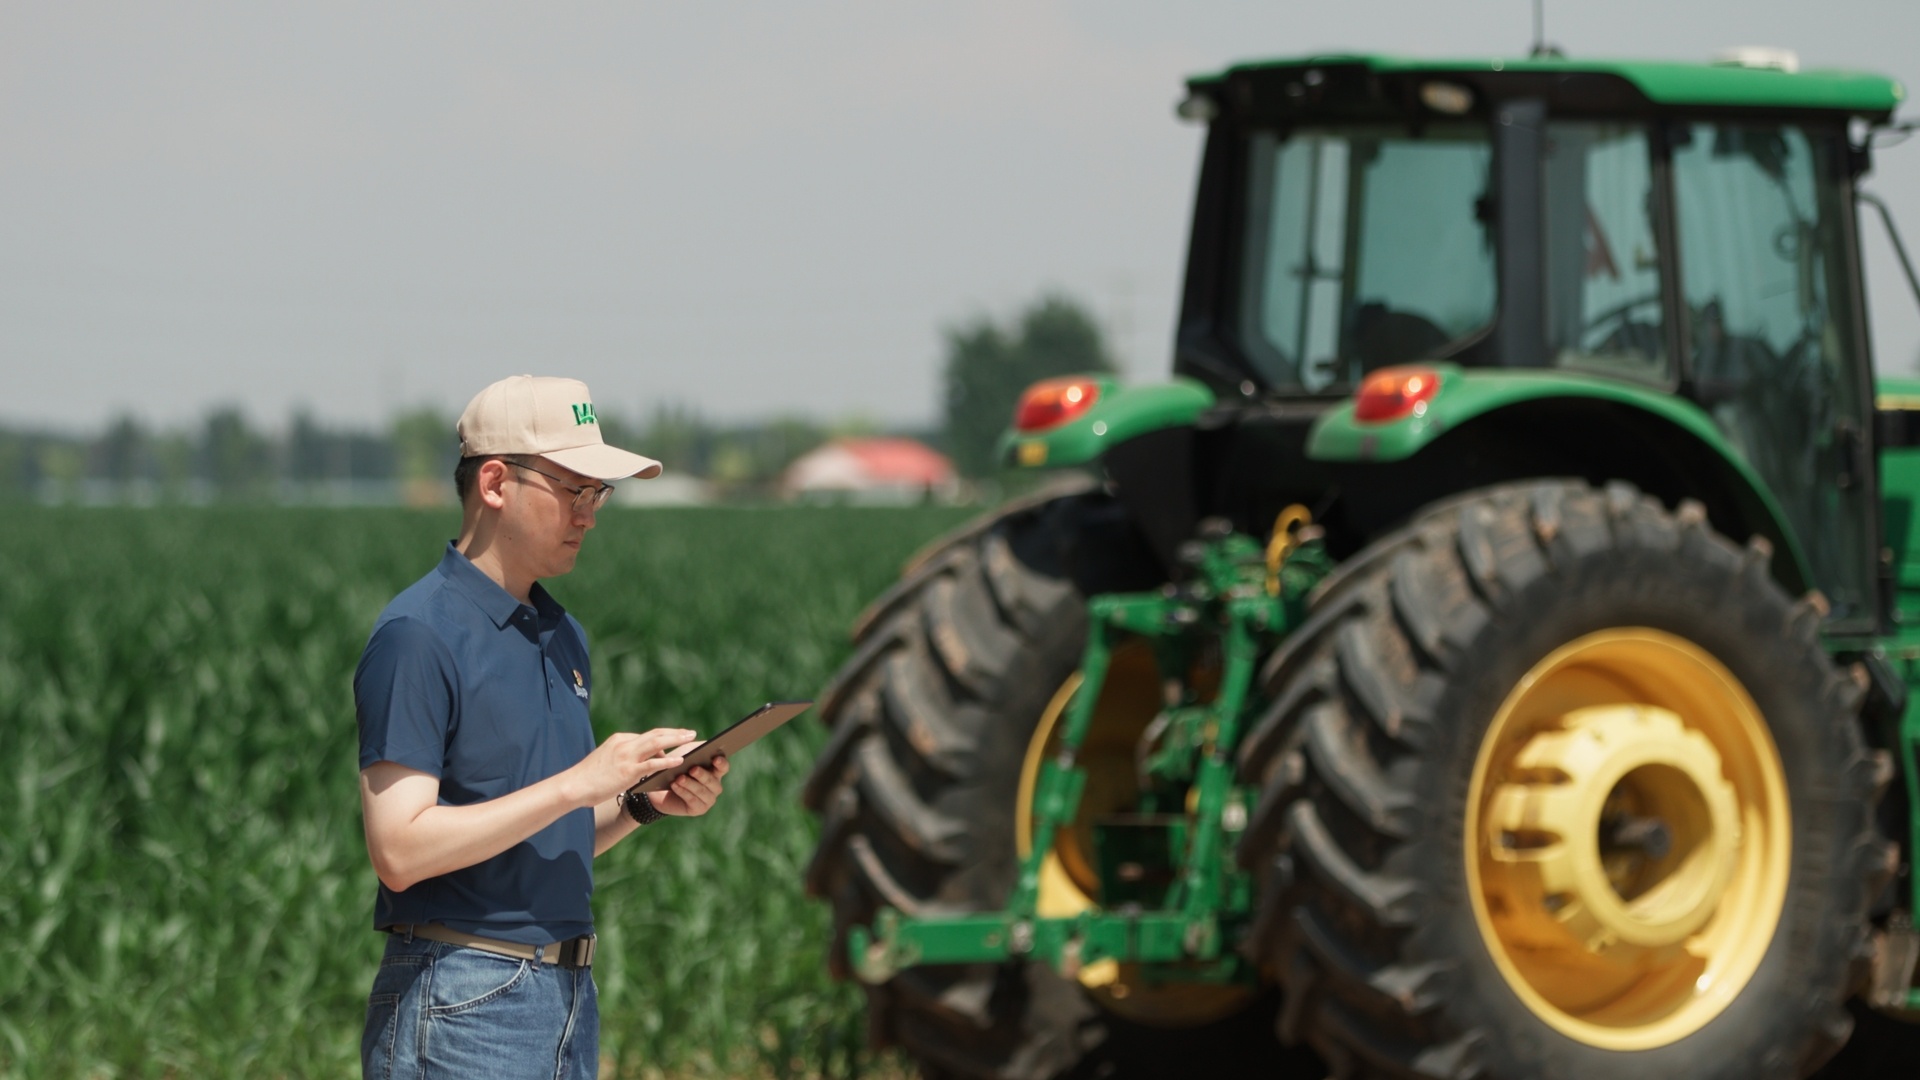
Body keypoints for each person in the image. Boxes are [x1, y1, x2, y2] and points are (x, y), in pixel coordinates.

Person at [354, 374, 728, 1080]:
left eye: (598, 494)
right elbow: (399, 849)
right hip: (463, 996)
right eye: (573, 489)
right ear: (495, 483)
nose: (589, 514)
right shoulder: (417, 636)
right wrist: (578, 785)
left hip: (564, 995)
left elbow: (540, 837)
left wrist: (643, 801)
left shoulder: (561, 635)